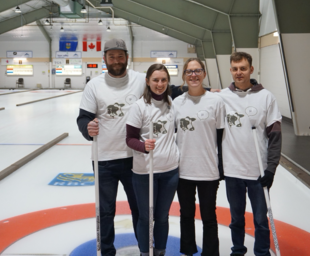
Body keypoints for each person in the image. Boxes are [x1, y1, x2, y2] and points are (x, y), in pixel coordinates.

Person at [77, 38, 144, 256]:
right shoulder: (94, 85)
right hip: (104, 159)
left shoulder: (141, 80)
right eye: (112, 56)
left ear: (127, 57)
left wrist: (209, 91)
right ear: (104, 58)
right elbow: (83, 117)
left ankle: (145, 248)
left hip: (135, 158)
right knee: (105, 211)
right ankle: (106, 251)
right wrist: (88, 128)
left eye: (120, 56)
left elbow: (168, 89)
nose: (116, 60)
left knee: (140, 209)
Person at [218, 52, 282, 256]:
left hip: (258, 172)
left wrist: (271, 169)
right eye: (235, 69)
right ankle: (238, 250)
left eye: (243, 68)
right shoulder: (222, 98)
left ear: (251, 70)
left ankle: (262, 252)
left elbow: (275, 137)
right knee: (236, 218)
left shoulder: (266, 97)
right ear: (231, 70)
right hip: (232, 170)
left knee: (261, 219)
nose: (239, 73)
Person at [173, 58, 225, 256]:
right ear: (184, 76)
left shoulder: (216, 101)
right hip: (183, 169)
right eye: (189, 71)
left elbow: (221, 136)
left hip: (208, 170)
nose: (193, 75)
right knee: (186, 215)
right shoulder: (177, 103)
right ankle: (188, 251)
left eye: (197, 71)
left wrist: (222, 167)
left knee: (209, 217)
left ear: (203, 74)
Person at [126, 63, 179, 256]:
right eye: (155, 80)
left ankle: (160, 251)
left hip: (170, 171)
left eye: (164, 80)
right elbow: (130, 138)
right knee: (145, 217)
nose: (160, 84)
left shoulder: (171, 103)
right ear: (147, 81)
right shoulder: (139, 106)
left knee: (162, 217)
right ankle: (144, 252)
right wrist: (143, 146)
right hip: (144, 171)